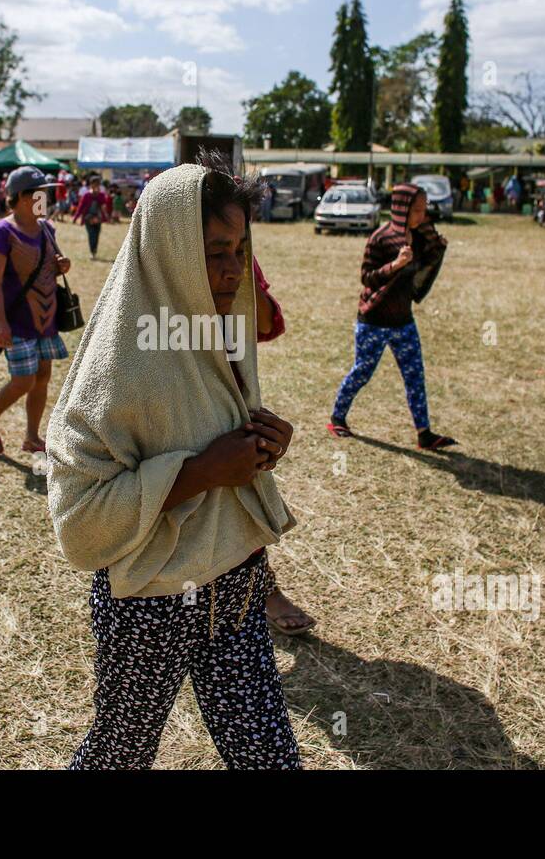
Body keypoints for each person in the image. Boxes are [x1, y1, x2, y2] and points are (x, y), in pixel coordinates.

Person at [47, 158, 301, 769]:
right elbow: (78, 517)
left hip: (236, 584)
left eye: (241, 249)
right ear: (169, 249)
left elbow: (225, 441)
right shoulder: (120, 366)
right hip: (149, 602)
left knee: (268, 757)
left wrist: (264, 443)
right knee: (120, 753)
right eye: (215, 251)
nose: (234, 268)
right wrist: (202, 472)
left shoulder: (221, 331)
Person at [328, 183, 456, 450]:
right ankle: (337, 418)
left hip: (403, 321)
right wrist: (395, 265)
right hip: (373, 321)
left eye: (424, 210)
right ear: (401, 208)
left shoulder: (419, 237)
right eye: (416, 210)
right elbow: (367, 278)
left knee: (415, 377)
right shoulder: (380, 238)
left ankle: (424, 434)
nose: (421, 215)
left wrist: (437, 246)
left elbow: (428, 265)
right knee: (362, 372)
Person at [0, 166, 72, 456]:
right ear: (19, 197)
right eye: (38, 193)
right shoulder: (1, 232)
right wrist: (0, 322)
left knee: (42, 376)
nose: (44, 198)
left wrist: (61, 266)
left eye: (45, 193)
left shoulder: (47, 228)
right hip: (16, 320)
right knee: (24, 380)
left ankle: (32, 436)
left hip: (45, 318)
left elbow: (46, 268)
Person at [251, 254, 317, 637]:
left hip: (229, 402)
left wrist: (242, 273)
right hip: (170, 404)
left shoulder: (238, 249)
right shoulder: (156, 243)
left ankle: (264, 592)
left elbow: (264, 323)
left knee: (243, 502)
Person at [72, 174, 112, 260]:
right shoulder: (86, 195)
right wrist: (75, 218)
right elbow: (80, 207)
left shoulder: (101, 195)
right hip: (88, 218)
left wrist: (107, 217)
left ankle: (94, 252)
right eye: (94, 183)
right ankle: (92, 252)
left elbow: (103, 207)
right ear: (91, 184)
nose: (96, 185)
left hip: (98, 218)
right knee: (91, 235)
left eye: (98, 184)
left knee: (96, 235)